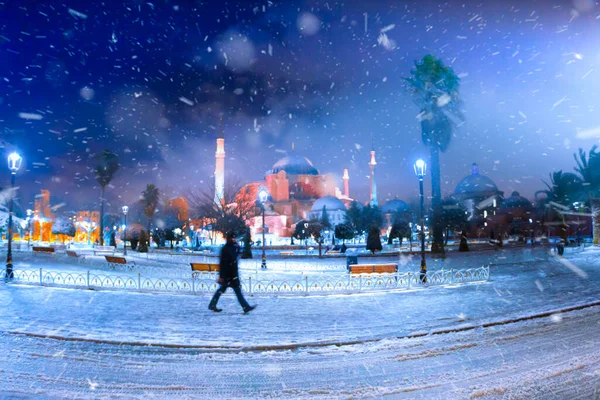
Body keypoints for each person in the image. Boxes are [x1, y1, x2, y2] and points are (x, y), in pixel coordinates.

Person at [208, 232, 256, 314]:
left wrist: (237, 246)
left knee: (229, 291)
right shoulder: (226, 248)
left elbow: (235, 256)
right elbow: (223, 263)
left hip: (232, 274)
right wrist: (222, 276)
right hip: (229, 275)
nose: (234, 240)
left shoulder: (232, 247)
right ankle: (245, 307)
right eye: (233, 238)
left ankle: (213, 304)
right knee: (233, 291)